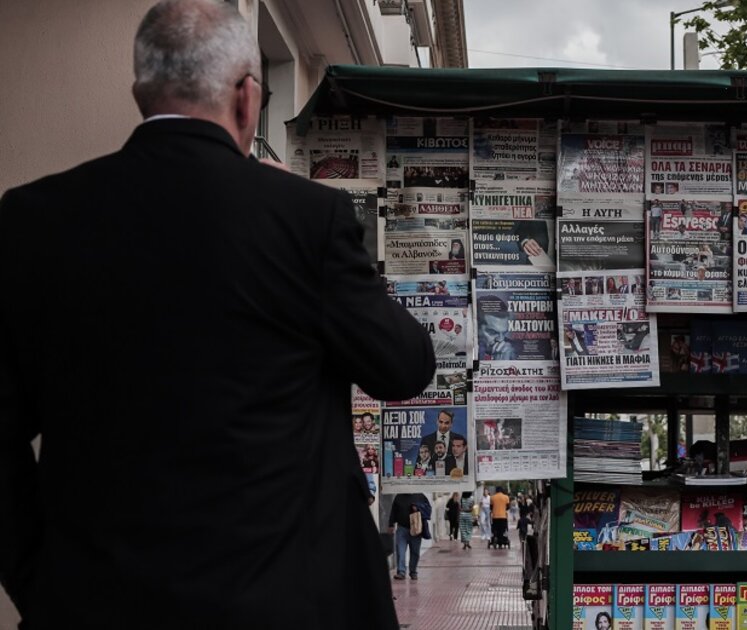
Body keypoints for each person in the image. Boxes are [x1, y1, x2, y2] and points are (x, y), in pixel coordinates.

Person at [0, 3, 436, 627]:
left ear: (141, 95)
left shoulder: (31, 219)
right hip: (285, 606)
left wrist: (38, 583)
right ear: (247, 97)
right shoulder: (306, 219)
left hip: (94, 604)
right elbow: (405, 365)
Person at [388, 493, 432, 581]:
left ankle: (413, 571)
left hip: (416, 529)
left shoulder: (420, 496)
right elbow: (393, 511)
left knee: (415, 552)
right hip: (402, 528)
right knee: (400, 551)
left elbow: (428, 510)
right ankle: (401, 572)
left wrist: (418, 508)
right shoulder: (399, 496)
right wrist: (391, 524)